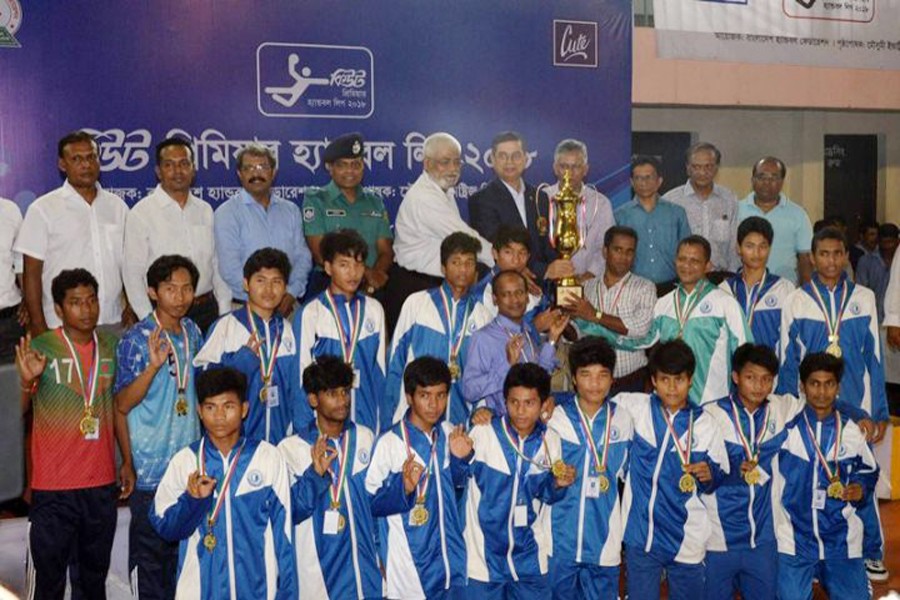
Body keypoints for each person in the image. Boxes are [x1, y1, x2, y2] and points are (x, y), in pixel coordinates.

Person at [777, 226, 889, 581]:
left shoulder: (865, 297)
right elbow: (787, 359)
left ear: (846, 256)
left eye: (837, 253)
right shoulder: (795, 300)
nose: (830, 260)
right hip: (811, 404)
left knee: (862, 478)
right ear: (812, 257)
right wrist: (785, 408)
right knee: (812, 479)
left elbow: (875, 358)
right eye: (823, 254)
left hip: (855, 400)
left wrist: (879, 410)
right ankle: (813, 551)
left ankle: (871, 550)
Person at [15, 268, 127, 599]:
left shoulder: (111, 344)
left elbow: (118, 406)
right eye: (76, 302)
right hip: (54, 489)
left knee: (92, 584)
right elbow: (17, 411)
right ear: (59, 309)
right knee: (47, 585)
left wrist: (127, 462)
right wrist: (25, 381)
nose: (87, 309)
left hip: (100, 484)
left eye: (92, 300)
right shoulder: (41, 347)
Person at [150, 367, 297, 599]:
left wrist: (288, 594)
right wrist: (192, 501)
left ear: (244, 409)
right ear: (199, 411)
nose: (219, 416)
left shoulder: (268, 458)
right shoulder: (185, 462)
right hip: (198, 591)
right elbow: (166, 529)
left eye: (228, 406)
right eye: (210, 407)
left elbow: (285, 536)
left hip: (259, 591)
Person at [114, 255, 204, 600]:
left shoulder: (194, 331)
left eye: (186, 289)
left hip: (185, 468)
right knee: (150, 564)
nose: (180, 297)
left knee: (181, 565)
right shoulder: (137, 339)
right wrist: (126, 462)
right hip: (149, 470)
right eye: (170, 289)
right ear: (153, 292)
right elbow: (121, 405)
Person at [615, 340, 728, 600]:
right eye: (665, 379)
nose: (672, 387)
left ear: (690, 380)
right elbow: (593, 403)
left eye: (679, 379)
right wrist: (551, 402)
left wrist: (710, 475)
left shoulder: (706, 424)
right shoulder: (633, 407)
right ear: (653, 380)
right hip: (641, 536)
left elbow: (719, 473)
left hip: (688, 535)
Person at [584, 236, 750, 405]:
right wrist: (589, 324)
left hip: (712, 405)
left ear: (707, 266)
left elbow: (746, 354)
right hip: (670, 404)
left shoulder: (725, 303)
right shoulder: (664, 303)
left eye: (694, 261)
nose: (686, 266)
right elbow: (642, 341)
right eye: (682, 259)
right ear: (675, 261)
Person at [462, 363, 575, 598]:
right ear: (505, 401)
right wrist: (457, 458)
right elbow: (457, 478)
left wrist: (558, 484)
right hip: (482, 558)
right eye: (514, 402)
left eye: (529, 403)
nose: (521, 411)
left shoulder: (550, 440)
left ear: (544, 404)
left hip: (530, 557)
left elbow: (548, 495)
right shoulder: (483, 433)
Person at [772, 353, 878, 599]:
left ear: (838, 387)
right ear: (802, 386)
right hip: (794, 538)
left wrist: (860, 488)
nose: (821, 392)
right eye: (814, 383)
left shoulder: (851, 432)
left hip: (841, 539)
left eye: (828, 383)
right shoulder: (786, 426)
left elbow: (869, 471)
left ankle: (855, 578)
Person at [364, 357, 471, 600]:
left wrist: (460, 461)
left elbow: (458, 492)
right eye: (425, 395)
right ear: (410, 397)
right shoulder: (389, 443)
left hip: (449, 561)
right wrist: (403, 489)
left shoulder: (448, 433)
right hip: (408, 568)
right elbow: (369, 504)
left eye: (441, 395)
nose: (434, 404)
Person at [278, 356, 380, 600]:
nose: (342, 400)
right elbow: (290, 513)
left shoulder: (366, 438)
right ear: (313, 399)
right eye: (332, 393)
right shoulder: (289, 449)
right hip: (316, 578)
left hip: (363, 572)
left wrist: (382, 555)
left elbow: (377, 505)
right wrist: (315, 475)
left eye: (345, 392)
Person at [15, 130, 132, 336]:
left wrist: (131, 305)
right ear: (62, 164)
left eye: (91, 157)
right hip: (60, 325)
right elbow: (31, 273)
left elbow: (130, 263)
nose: (86, 165)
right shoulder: (43, 209)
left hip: (113, 321)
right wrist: (38, 325)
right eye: (76, 159)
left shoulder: (118, 207)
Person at [544, 337, 634, 600]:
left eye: (602, 375)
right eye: (586, 375)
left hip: (604, 544)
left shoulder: (624, 419)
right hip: (558, 543)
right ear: (573, 379)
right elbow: (542, 482)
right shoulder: (556, 420)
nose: (594, 383)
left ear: (612, 379)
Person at [385, 232, 492, 430]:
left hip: (462, 421)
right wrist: (390, 416)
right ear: (443, 268)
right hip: (414, 420)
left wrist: (480, 409)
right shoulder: (417, 304)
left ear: (476, 269)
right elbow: (394, 362)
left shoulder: (483, 315)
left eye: (469, 263)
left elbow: (485, 373)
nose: (463, 269)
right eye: (456, 262)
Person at [123, 137, 231, 333]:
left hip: (207, 311)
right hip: (164, 314)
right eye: (169, 165)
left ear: (193, 168)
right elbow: (132, 274)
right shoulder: (141, 213)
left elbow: (215, 263)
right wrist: (150, 321)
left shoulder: (205, 210)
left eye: (184, 163)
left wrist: (224, 312)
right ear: (158, 171)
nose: (178, 171)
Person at [194, 248, 302, 444]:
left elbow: (295, 390)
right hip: (236, 445)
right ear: (246, 284)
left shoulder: (288, 331)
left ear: (285, 287)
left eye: (276, 282)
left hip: (281, 443)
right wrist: (239, 363)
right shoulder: (226, 327)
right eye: (260, 280)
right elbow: (201, 379)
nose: (269, 290)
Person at [390, 132, 493, 332]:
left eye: (457, 162)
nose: (453, 169)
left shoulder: (443, 190)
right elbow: (466, 241)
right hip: (415, 286)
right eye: (445, 162)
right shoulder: (424, 197)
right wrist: (501, 261)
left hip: (435, 285)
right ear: (427, 164)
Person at [294, 229, 387, 434]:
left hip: (367, 417)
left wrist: (385, 426)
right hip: (324, 423)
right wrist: (305, 431)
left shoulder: (374, 310)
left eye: (359, 264)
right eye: (344, 265)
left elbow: (380, 372)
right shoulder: (311, 313)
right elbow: (301, 377)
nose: (352, 273)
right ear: (328, 267)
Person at [213, 143, 312, 315]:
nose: (256, 173)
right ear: (239, 174)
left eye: (262, 167)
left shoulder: (291, 210)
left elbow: (302, 257)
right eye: (249, 168)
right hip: (246, 308)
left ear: (273, 172)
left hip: (287, 305)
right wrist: (266, 297)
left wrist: (290, 293)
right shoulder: (227, 212)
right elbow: (229, 268)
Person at [462, 270, 568, 420]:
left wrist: (552, 339)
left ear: (527, 296)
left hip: (533, 422)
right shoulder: (483, 338)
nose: (514, 300)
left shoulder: (527, 331)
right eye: (506, 294)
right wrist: (508, 365)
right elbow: (470, 390)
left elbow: (539, 376)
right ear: (495, 299)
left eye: (519, 293)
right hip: (502, 425)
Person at [565, 226, 656, 395]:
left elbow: (639, 328)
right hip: (594, 383)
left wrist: (596, 315)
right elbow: (577, 334)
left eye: (629, 251)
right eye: (618, 250)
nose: (623, 257)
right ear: (605, 252)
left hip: (631, 380)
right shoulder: (586, 287)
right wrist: (563, 322)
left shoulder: (645, 287)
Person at [301, 132, 394, 300]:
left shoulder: (375, 201)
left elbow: (385, 250)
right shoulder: (316, 200)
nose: (350, 171)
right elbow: (320, 253)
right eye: (342, 165)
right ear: (330, 167)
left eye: (356, 164)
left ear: (363, 166)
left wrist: (376, 276)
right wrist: (364, 273)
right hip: (328, 285)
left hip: (371, 288)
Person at [468, 131, 557, 280]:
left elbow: (547, 243)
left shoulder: (540, 197)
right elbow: (496, 245)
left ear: (525, 159)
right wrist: (543, 270)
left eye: (516, 156)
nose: (509, 162)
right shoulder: (481, 200)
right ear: (493, 160)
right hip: (501, 285)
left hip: (542, 286)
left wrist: (557, 266)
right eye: (503, 156)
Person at [543, 138, 614, 282]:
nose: (569, 172)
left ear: (585, 169)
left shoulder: (600, 203)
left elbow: (606, 247)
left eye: (575, 166)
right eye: (564, 166)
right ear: (555, 168)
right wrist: (546, 271)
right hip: (548, 284)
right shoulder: (543, 198)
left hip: (589, 283)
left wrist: (588, 275)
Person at [720, 217, 795, 354]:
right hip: (734, 371)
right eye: (750, 246)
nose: (756, 253)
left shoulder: (784, 289)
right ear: (738, 248)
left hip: (771, 372)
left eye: (763, 246)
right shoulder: (724, 290)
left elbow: (791, 339)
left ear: (770, 249)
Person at [614, 155, 691, 286]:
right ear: (631, 182)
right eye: (638, 178)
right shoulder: (620, 215)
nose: (643, 182)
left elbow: (687, 250)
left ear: (659, 181)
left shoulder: (677, 213)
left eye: (648, 177)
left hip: (671, 286)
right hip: (633, 287)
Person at [663, 142, 740, 273]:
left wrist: (732, 277)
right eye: (696, 167)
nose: (702, 172)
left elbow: (734, 244)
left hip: (720, 278)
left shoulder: (729, 199)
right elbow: (666, 246)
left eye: (708, 166)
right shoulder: (670, 200)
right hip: (682, 277)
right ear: (687, 168)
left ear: (716, 168)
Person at [738, 156, 813, 285]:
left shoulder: (798, 214)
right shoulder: (736, 209)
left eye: (773, 178)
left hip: (786, 289)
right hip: (744, 288)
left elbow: (805, 258)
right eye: (761, 177)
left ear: (782, 181)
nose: (767, 182)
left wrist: (805, 292)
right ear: (752, 180)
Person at [470, 224, 549, 323]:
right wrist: (534, 328)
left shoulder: (535, 290)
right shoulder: (480, 295)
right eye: (508, 252)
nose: (516, 260)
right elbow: (490, 335)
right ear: (495, 253)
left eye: (522, 253)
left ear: (528, 256)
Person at [856, 222, 899, 323]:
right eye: (885, 243)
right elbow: (860, 290)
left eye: (891, 242)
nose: (888, 247)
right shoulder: (866, 261)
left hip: (896, 321)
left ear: (897, 242)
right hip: (872, 318)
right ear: (878, 241)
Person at [0, 195, 25, 362]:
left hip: (8, 321)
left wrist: (28, 300)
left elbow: (20, 262)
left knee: (12, 385)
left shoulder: (10, 210)